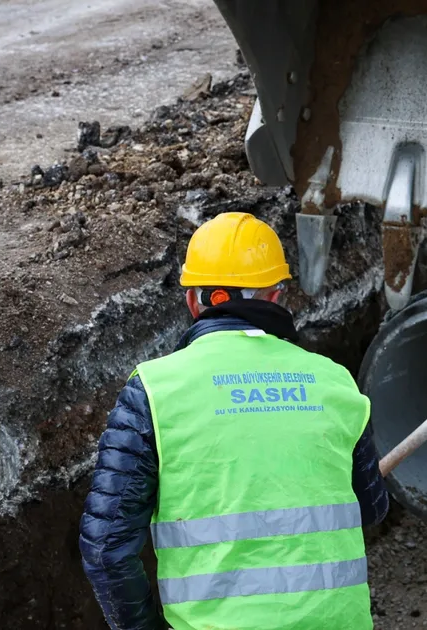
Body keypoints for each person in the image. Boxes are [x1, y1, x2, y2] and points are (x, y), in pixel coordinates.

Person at [79, 211, 388, 630]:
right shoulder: (335, 382)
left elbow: (106, 549)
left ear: (193, 300)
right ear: (277, 296)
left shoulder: (155, 390)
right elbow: (370, 508)